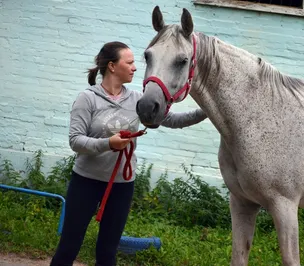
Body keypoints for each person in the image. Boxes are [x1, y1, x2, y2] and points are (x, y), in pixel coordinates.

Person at [50, 41, 207, 266]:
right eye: (130, 62)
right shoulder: (88, 98)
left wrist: (207, 111)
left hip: (122, 186)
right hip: (85, 182)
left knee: (107, 253)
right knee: (68, 248)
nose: (135, 68)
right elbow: (75, 141)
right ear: (112, 66)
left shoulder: (137, 99)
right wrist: (108, 143)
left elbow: (173, 120)